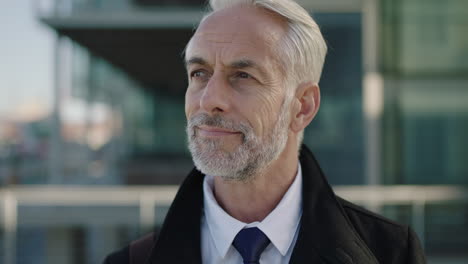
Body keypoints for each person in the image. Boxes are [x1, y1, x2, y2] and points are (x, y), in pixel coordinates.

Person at [104, 0, 426, 263]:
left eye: (242, 75)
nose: (208, 99)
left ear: (302, 107)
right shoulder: (130, 261)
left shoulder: (392, 253)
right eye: (199, 73)